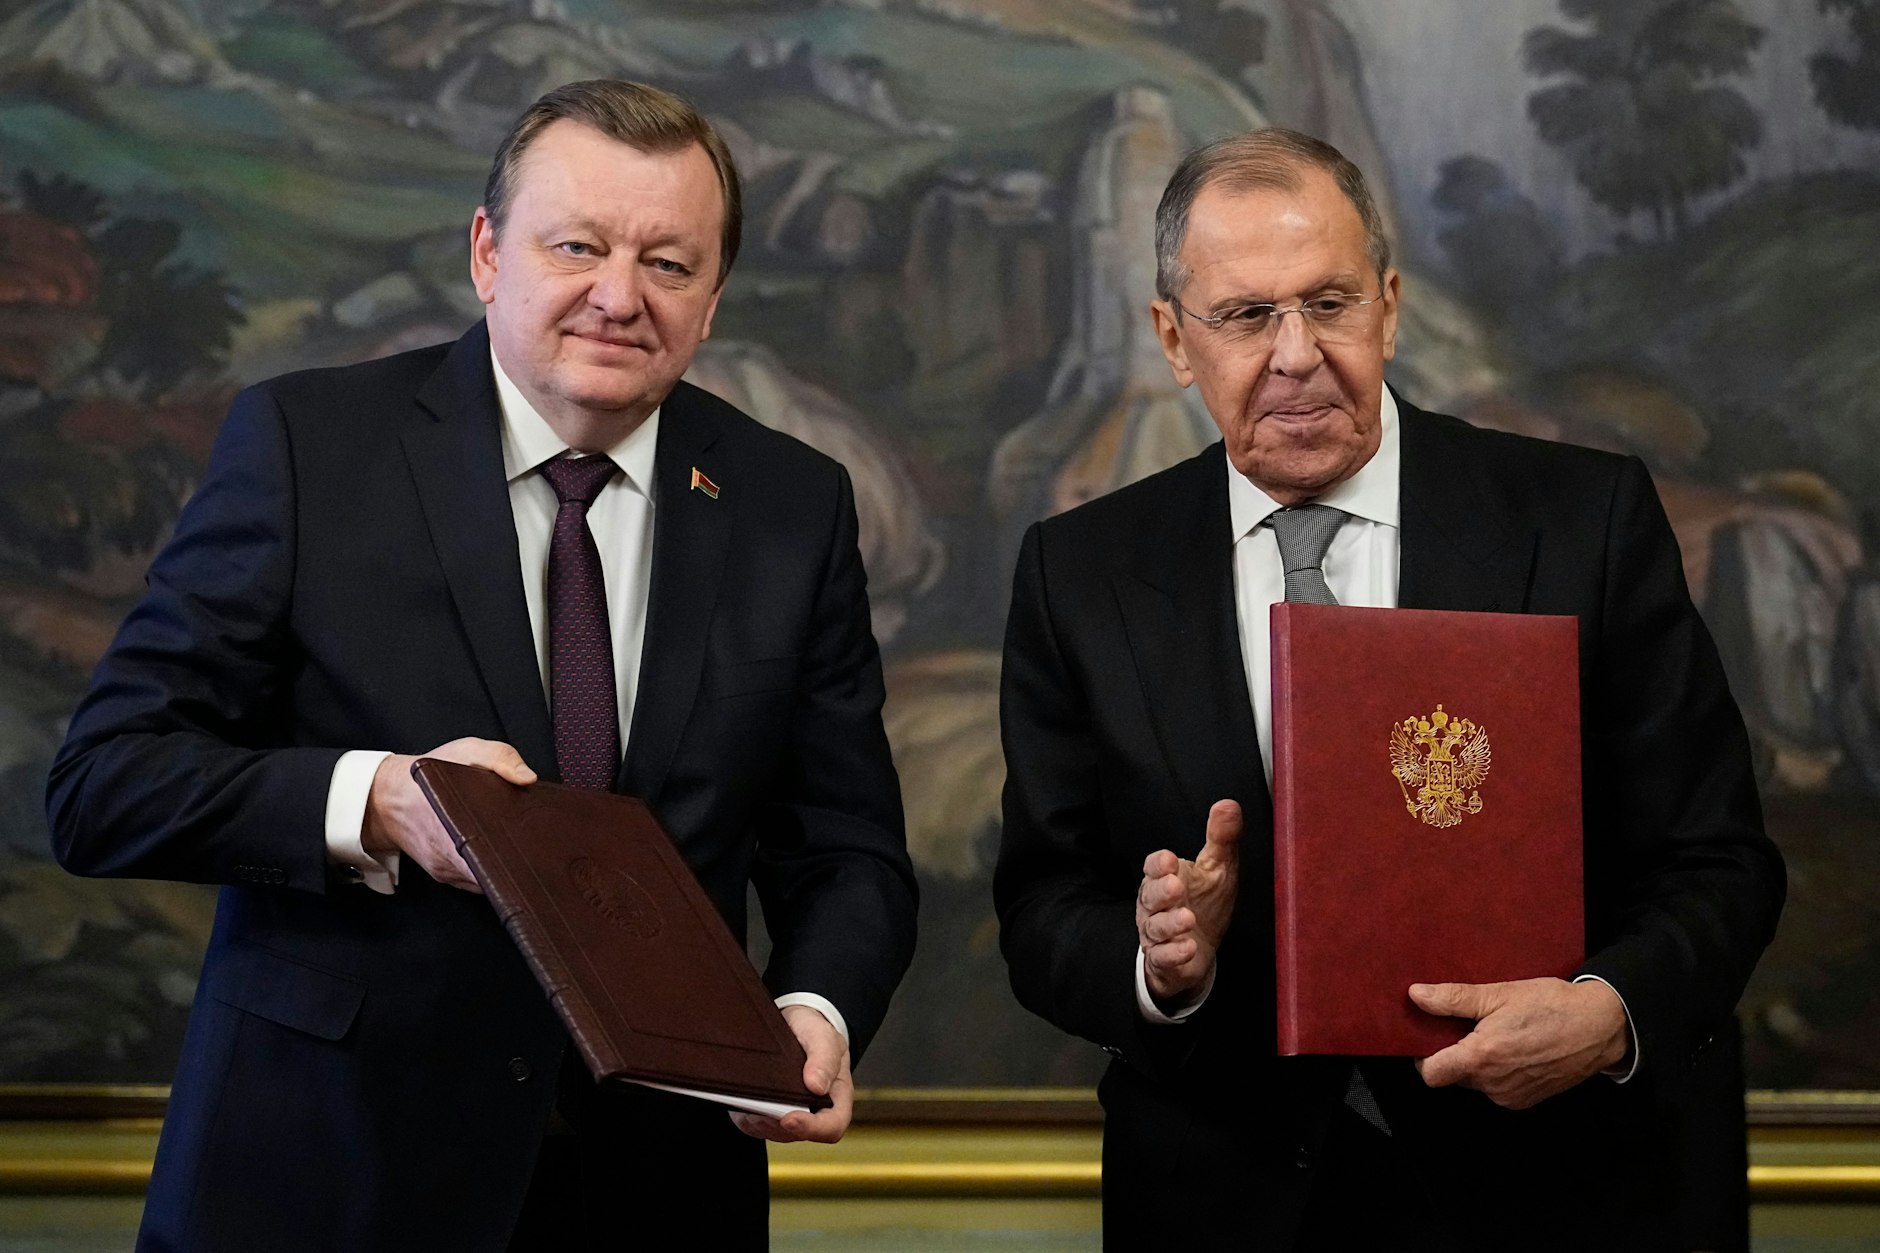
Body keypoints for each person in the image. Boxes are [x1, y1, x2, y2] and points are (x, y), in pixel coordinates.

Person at [46, 80, 917, 1252]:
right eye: (577, 246)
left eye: (668, 263)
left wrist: (810, 1007)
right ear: (487, 253)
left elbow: (847, 848)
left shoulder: (790, 504)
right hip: (327, 1178)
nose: (618, 295)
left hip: (655, 1193)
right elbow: (105, 782)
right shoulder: (310, 448)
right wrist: (380, 801)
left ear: (712, 300)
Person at [993, 128, 1784, 1251]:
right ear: (1174, 338)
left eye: (1329, 301)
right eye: (1245, 315)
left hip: (1566, 1190)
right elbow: (1037, 908)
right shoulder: (1079, 573)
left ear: (1390, 307)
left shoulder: (1580, 522)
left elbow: (1722, 860)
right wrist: (1157, 960)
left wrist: (1604, 1013)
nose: (1296, 353)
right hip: (1231, 1203)